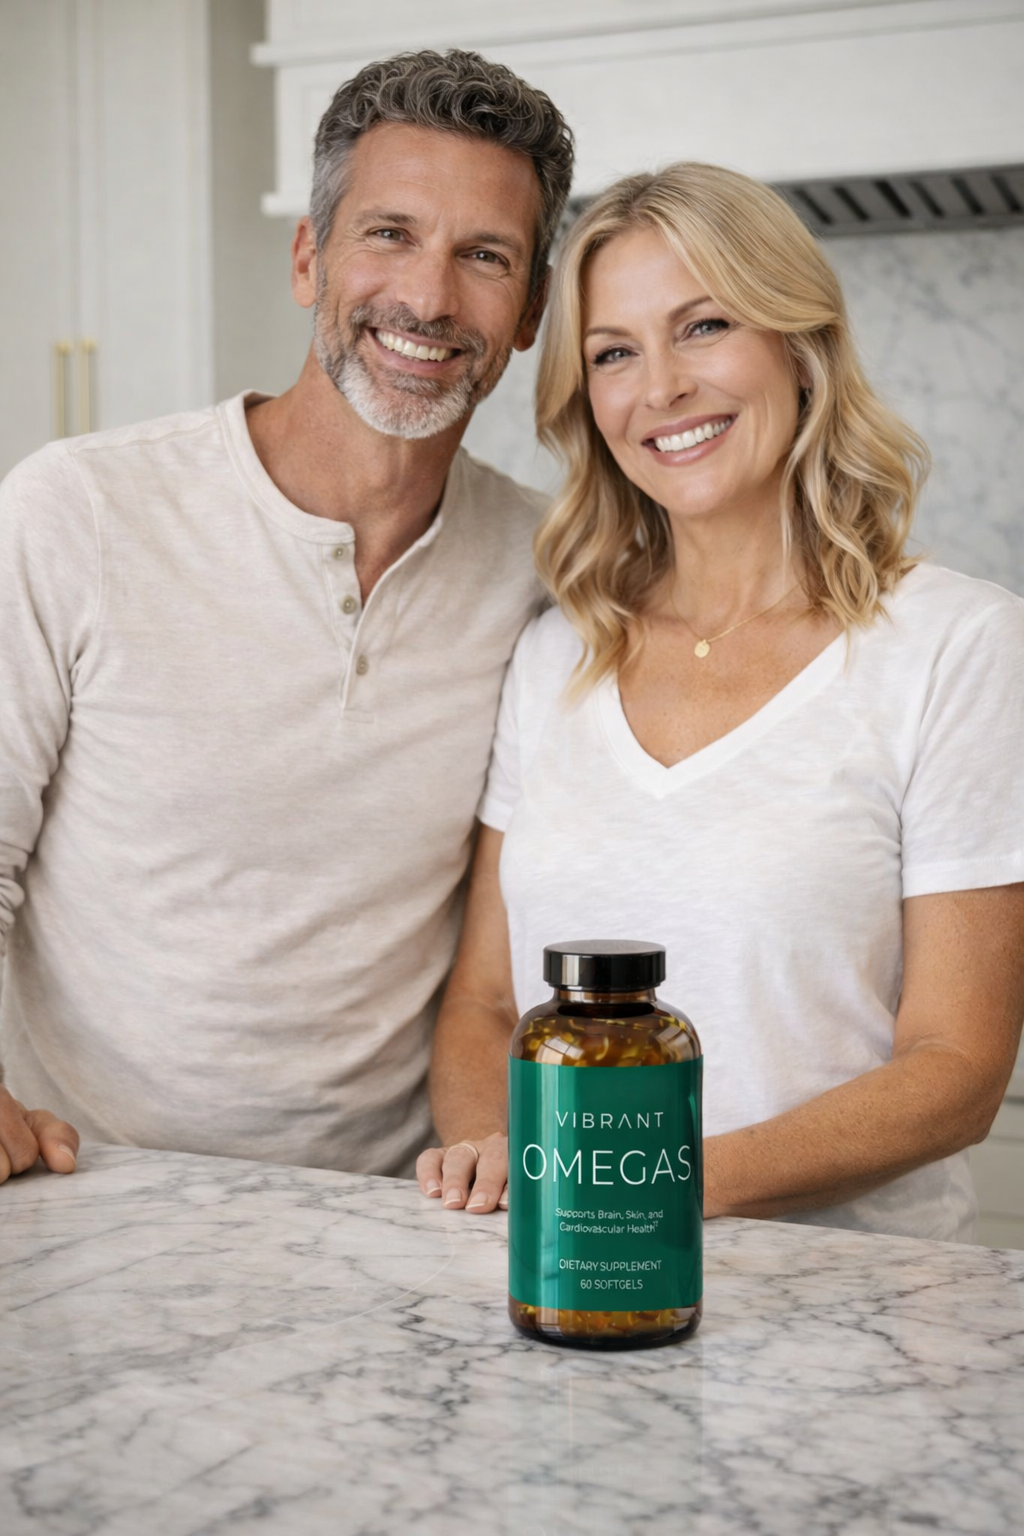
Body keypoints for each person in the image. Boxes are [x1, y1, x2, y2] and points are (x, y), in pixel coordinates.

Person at [416, 162, 1024, 1239]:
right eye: (613, 353)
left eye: (702, 327)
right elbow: (485, 1006)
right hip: (570, 1280)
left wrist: (639, 1186)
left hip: (845, 1322)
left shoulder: (956, 645)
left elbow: (957, 1069)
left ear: (797, 345)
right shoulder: (553, 657)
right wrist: (490, 1157)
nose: (660, 387)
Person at [0, 50, 574, 1185]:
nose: (427, 298)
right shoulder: (78, 508)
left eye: (485, 256)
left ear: (530, 312)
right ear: (310, 258)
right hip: (87, 1191)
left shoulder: (548, 566)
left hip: (388, 1215)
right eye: (389, 234)